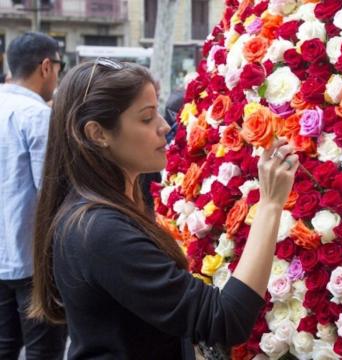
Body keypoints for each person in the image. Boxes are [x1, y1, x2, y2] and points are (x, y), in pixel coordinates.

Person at [28, 58, 300, 359]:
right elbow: (225, 319)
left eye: (157, 112)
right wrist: (271, 204)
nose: (164, 126)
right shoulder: (99, 231)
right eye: (146, 118)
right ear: (97, 134)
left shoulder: (111, 206)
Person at [0, 32, 67, 360]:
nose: (57, 74)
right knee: (44, 352)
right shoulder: (37, 115)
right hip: (34, 263)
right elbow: (51, 190)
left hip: (5, 257)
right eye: (58, 65)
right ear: (45, 67)